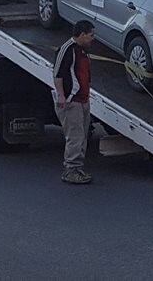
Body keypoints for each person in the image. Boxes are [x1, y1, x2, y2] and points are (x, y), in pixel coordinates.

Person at [53, 20, 95, 184]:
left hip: (83, 99)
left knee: (82, 135)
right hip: (72, 101)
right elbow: (58, 75)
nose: (93, 39)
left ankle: (78, 168)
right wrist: (62, 97)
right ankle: (71, 170)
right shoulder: (67, 50)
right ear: (82, 34)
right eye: (91, 35)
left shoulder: (83, 51)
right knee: (75, 136)